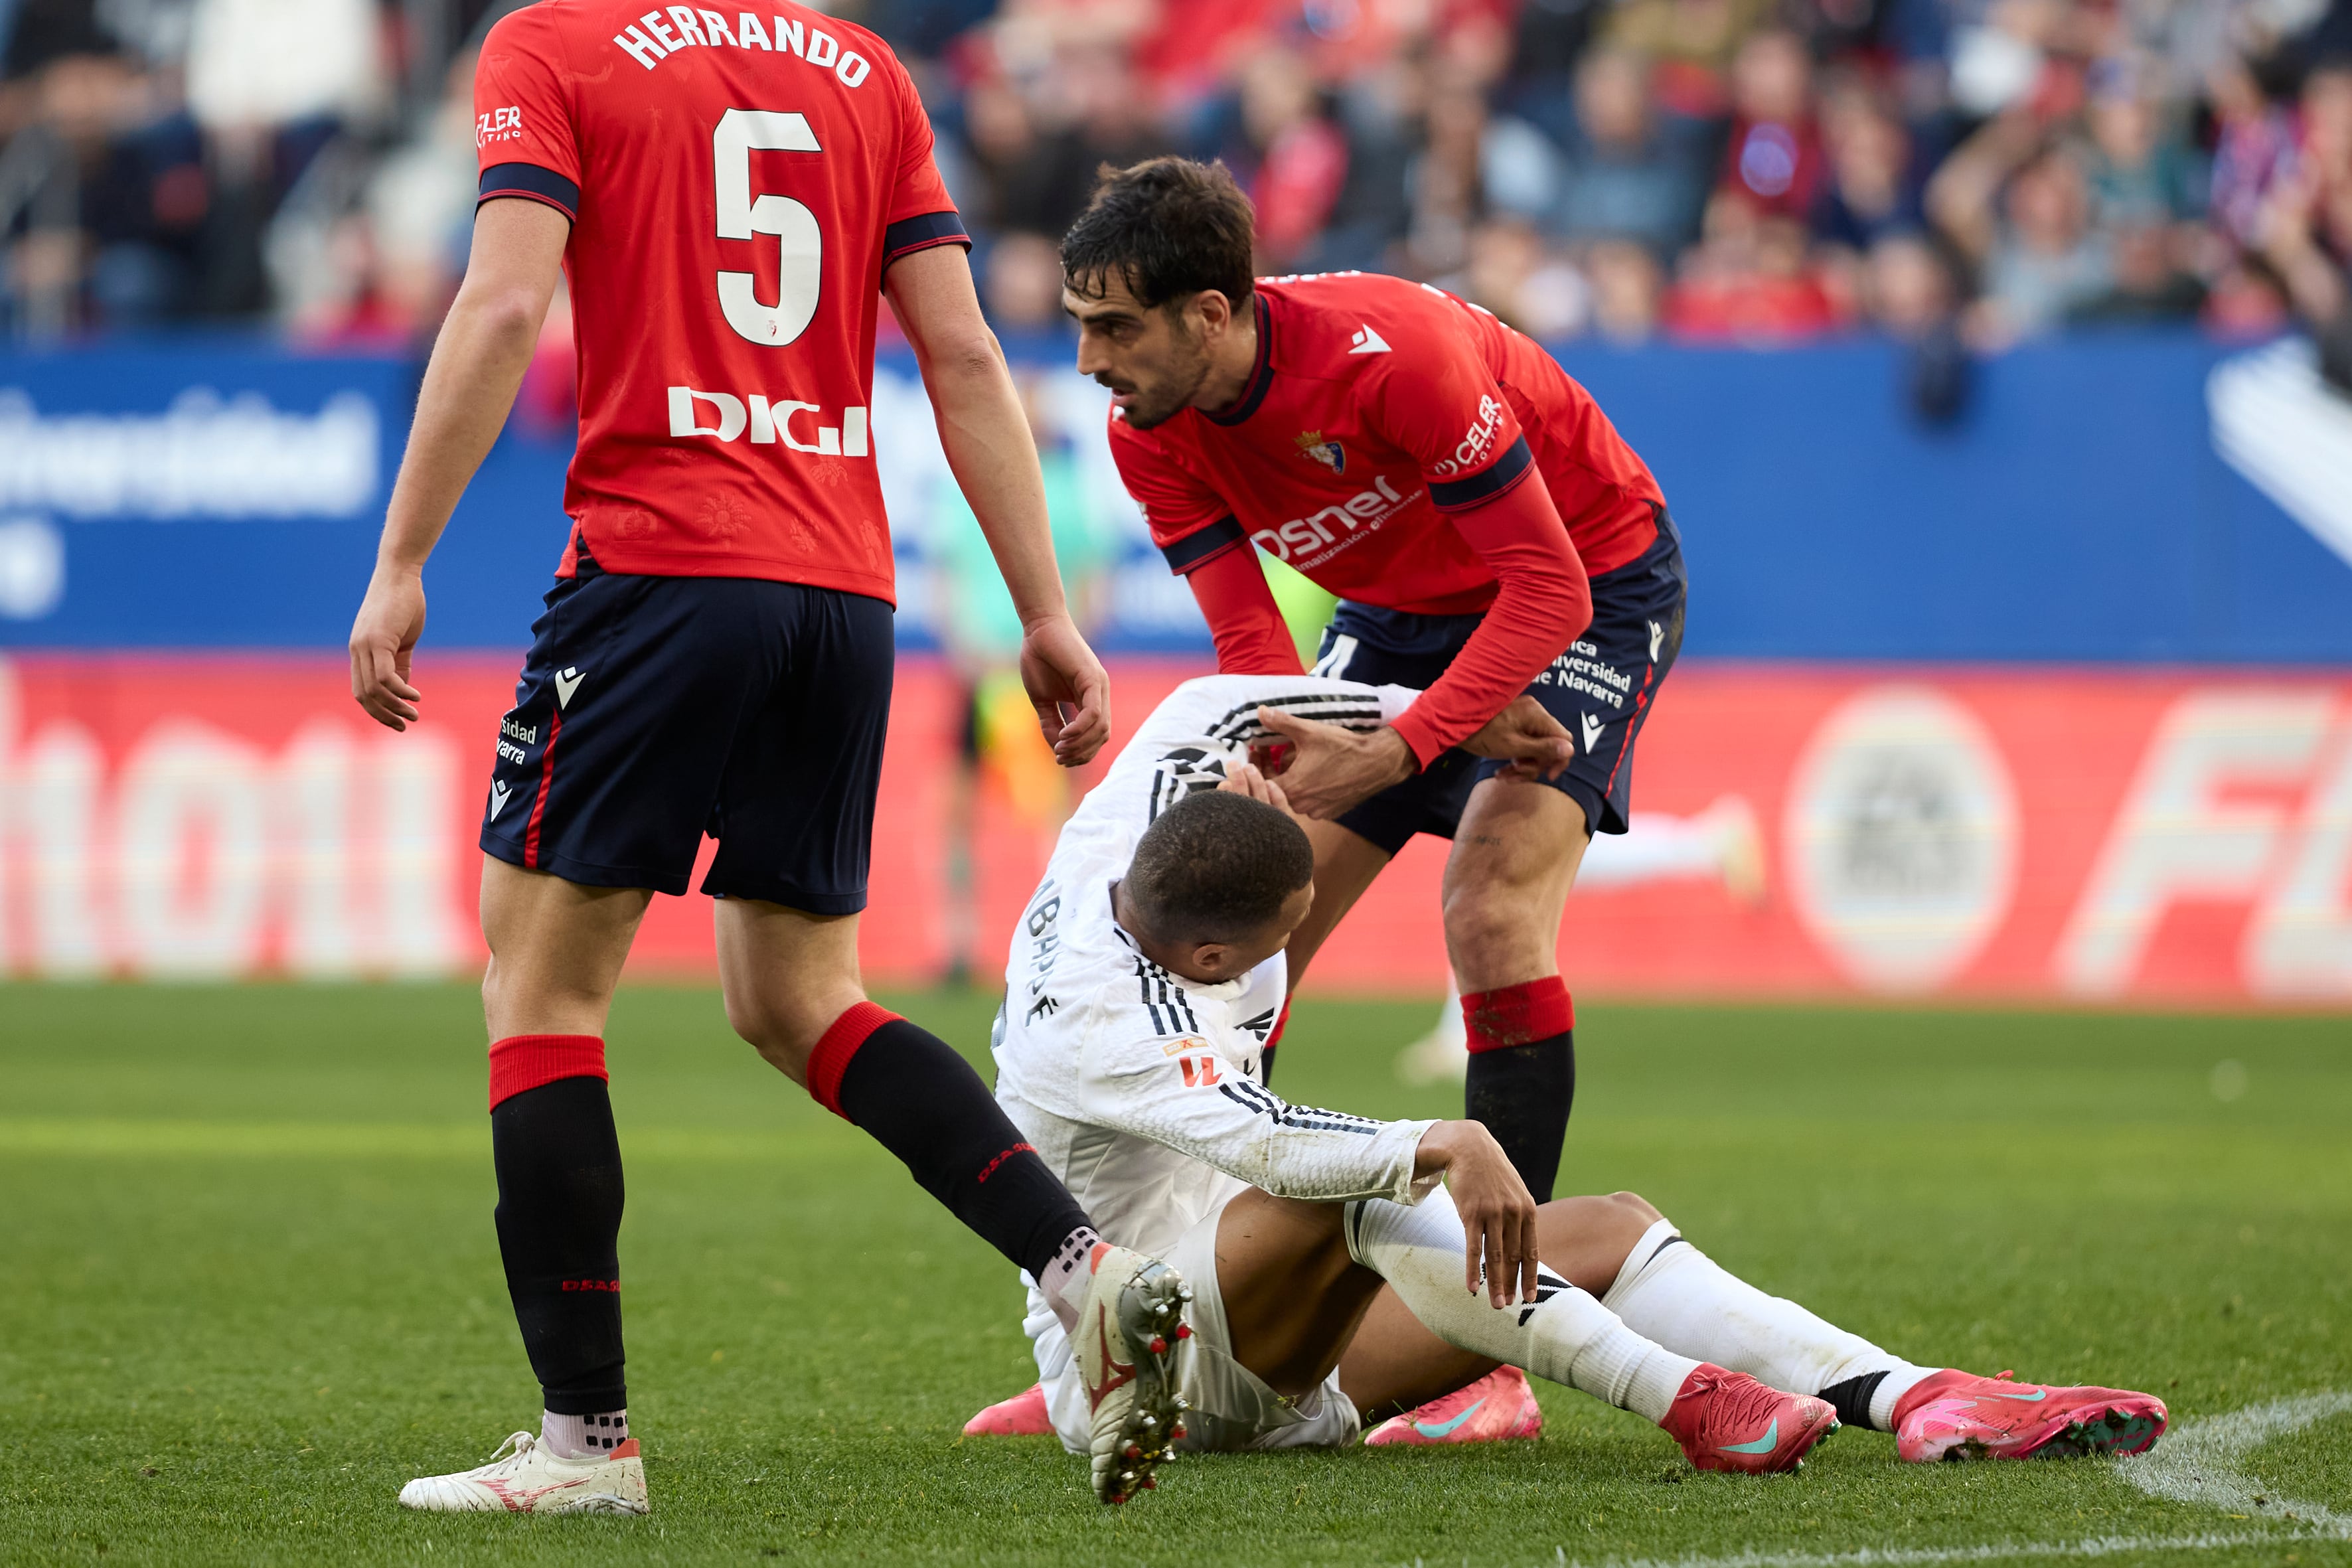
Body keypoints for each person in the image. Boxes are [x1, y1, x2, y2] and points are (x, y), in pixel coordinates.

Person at [346, 1, 1188, 1512]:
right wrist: (1041, 610)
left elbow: (498, 308)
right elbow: (962, 352)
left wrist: (403, 556)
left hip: (665, 567)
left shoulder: (553, 43)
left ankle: (584, 1446)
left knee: (537, 984)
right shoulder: (862, 65)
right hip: (838, 593)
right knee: (799, 996)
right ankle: (1083, 1268)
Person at [977, 675, 2170, 1466]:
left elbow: (1215, 695)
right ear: (1206, 956)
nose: (1301, 938)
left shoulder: (1147, 807)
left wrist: (1443, 717)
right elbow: (1273, 1148)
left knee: (1609, 1225)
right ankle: (1688, 1402)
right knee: (1360, 1186)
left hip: (1275, 1344)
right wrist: (1441, 1137)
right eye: (1285, 931)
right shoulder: (1095, 1019)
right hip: (1147, 1377)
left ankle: (1914, 1394)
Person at [1059, 156, 1682, 1220]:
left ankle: (1495, 1342)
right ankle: (1201, 1269)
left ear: (1210, 314)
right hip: (1400, 614)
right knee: (1256, 913)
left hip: (1587, 574)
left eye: (1115, 328)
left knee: (1488, 909)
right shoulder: (1147, 434)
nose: (1088, 360)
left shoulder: (1395, 360)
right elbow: (1251, 640)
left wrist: (1406, 742)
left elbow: (1550, 590)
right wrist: (1310, 748)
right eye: (1081, 324)